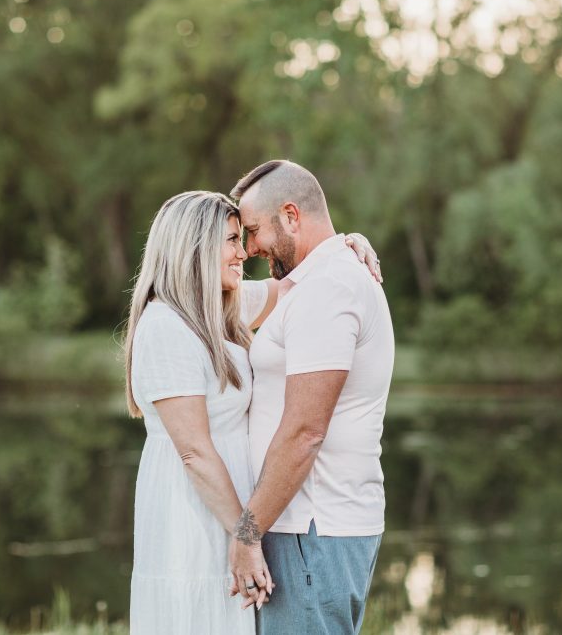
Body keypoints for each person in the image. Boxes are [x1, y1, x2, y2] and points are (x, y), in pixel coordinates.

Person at [123, 190, 379, 634]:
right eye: (231, 241)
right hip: (195, 511)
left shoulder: (217, 307)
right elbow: (195, 453)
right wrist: (247, 535)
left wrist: (343, 246)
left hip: (231, 509)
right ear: (194, 247)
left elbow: (296, 286)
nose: (243, 253)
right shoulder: (166, 326)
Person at [226, 161, 395, 634]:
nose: (250, 248)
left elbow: (305, 432)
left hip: (312, 527)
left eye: (253, 231)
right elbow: (210, 300)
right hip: (307, 526)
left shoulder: (328, 288)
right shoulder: (315, 281)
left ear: (291, 216)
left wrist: (247, 533)